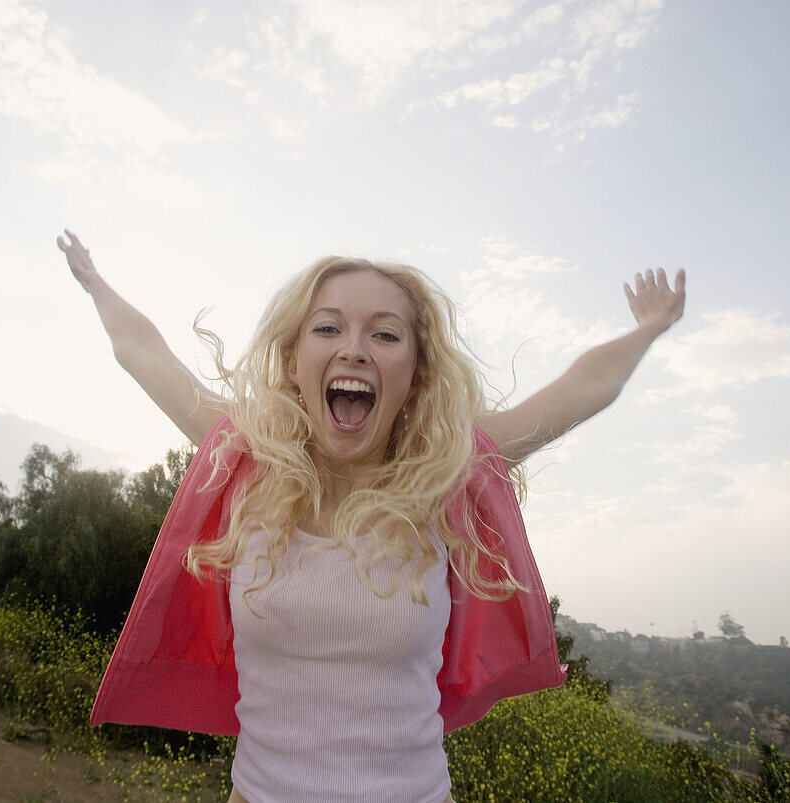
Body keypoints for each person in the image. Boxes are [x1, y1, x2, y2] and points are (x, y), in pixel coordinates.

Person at [57, 230, 685, 803]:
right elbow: (143, 351)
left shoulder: (446, 476)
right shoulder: (249, 463)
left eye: (384, 335)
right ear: (292, 360)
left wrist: (647, 328)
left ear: (414, 376)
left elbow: (580, 390)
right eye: (327, 328)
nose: (354, 350)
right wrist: (94, 282)